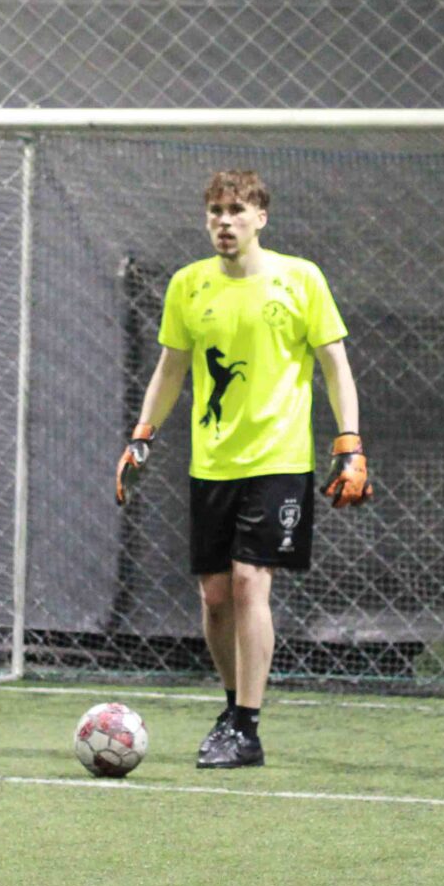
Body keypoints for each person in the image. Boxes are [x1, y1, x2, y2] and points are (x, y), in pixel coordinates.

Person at [113, 168, 370, 768]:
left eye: (236, 211)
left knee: (252, 581)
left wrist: (350, 442)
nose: (224, 222)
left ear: (261, 218)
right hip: (212, 463)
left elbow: (334, 364)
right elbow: (171, 368)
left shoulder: (301, 279)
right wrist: (142, 436)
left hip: (279, 459)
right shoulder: (188, 285)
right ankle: (232, 711)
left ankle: (248, 729)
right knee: (215, 596)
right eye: (215, 212)